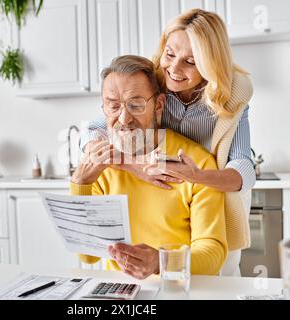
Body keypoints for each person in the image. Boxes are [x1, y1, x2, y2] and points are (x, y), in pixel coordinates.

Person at [80, 9, 254, 276]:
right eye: (170, 54)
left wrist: (196, 175)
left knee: (220, 270)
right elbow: (98, 125)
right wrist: (131, 164)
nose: (173, 69)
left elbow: (243, 168)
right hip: (162, 179)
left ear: (209, 64)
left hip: (205, 186)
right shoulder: (155, 82)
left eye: (190, 61)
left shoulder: (229, 98)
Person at [71, 55, 228, 279]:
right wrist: (80, 184)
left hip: (176, 289)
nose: (124, 118)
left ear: (159, 105)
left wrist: (160, 263)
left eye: (136, 105)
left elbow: (213, 254)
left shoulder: (196, 163)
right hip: (120, 295)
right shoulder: (100, 167)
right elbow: (88, 257)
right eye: (113, 106)